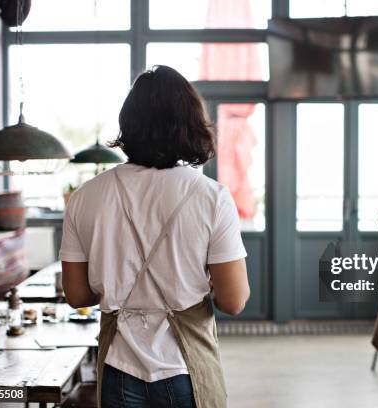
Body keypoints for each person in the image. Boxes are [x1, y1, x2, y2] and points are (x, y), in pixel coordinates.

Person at [60, 65, 250, 408]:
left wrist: (119, 284)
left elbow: (76, 294)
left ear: (129, 125)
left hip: (118, 369)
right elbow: (234, 301)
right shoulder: (212, 197)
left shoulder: (86, 196)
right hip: (185, 369)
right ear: (191, 124)